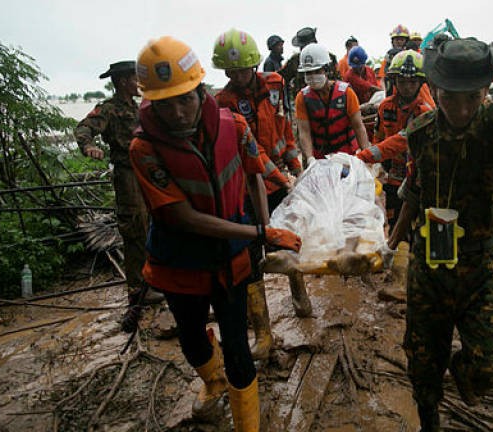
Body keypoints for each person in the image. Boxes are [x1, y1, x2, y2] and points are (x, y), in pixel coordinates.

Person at [129, 36, 302, 430]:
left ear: (199, 90)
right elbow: (181, 218)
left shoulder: (234, 125)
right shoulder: (143, 149)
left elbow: (256, 175)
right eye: (164, 103)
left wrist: (264, 229)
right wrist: (257, 230)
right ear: (150, 103)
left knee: (238, 349)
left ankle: (247, 424)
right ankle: (212, 379)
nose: (176, 112)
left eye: (184, 99)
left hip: (231, 259)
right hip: (179, 263)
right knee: (191, 340)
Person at [387, 38, 493, 431]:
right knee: (423, 365)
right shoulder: (420, 132)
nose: (460, 109)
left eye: (471, 98)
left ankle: (462, 372)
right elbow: (413, 191)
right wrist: (391, 245)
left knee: (490, 365)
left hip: (479, 266)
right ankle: (430, 423)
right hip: (429, 266)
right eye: (450, 97)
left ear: (484, 92)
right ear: (436, 89)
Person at [212, 29, 311, 362]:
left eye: (243, 69)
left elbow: (283, 128)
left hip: (282, 178)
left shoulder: (275, 84)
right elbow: (250, 149)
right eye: (232, 72)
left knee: (290, 239)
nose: (238, 76)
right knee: (252, 258)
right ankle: (264, 332)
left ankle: (299, 290)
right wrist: (282, 178)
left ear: (254, 64)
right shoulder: (223, 103)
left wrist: (296, 165)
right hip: (251, 186)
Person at [74, 61, 163, 305]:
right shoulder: (110, 109)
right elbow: (84, 127)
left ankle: (152, 281)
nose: (139, 84)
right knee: (134, 230)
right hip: (127, 176)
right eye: (136, 79)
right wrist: (88, 146)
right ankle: (138, 290)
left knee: (150, 226)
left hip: (145, 174)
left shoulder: (137, 108)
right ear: (123, 81)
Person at [357, 49, 434, 229]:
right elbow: (379, 137)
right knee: (394, 221)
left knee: (416, 225)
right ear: (394, 81)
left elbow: (400, 141)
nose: (407, 86)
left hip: (417, 178)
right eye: (402, 81)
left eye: (412, 82)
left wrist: (364, 156)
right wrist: (379, 168)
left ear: (421, 83)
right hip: (393, 177)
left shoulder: (425, 113)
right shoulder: (385, 106)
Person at [294, 43, 370, 161]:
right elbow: (304, 132)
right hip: (319, 159)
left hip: (347, 156)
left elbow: (358, 126)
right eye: (308, 72)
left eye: (316, 71)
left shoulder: (346, 93)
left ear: (326, 69)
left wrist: (366, 156)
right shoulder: (302, 98)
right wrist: (310, 158)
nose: (312, 76)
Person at [280, 27, 339, 100]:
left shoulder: (329, 58)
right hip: (304, 102)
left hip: (329, 100)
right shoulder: (294, 60)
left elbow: (337, 79)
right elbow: (281, 78)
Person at [379, 25, 410, 95]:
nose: (399, 42)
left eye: (401, 40)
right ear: (392, 41)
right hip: (392, 89)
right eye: (396, 40)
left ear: (406, 41)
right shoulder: (388, 56)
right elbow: (383, 77)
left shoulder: (411, 54)